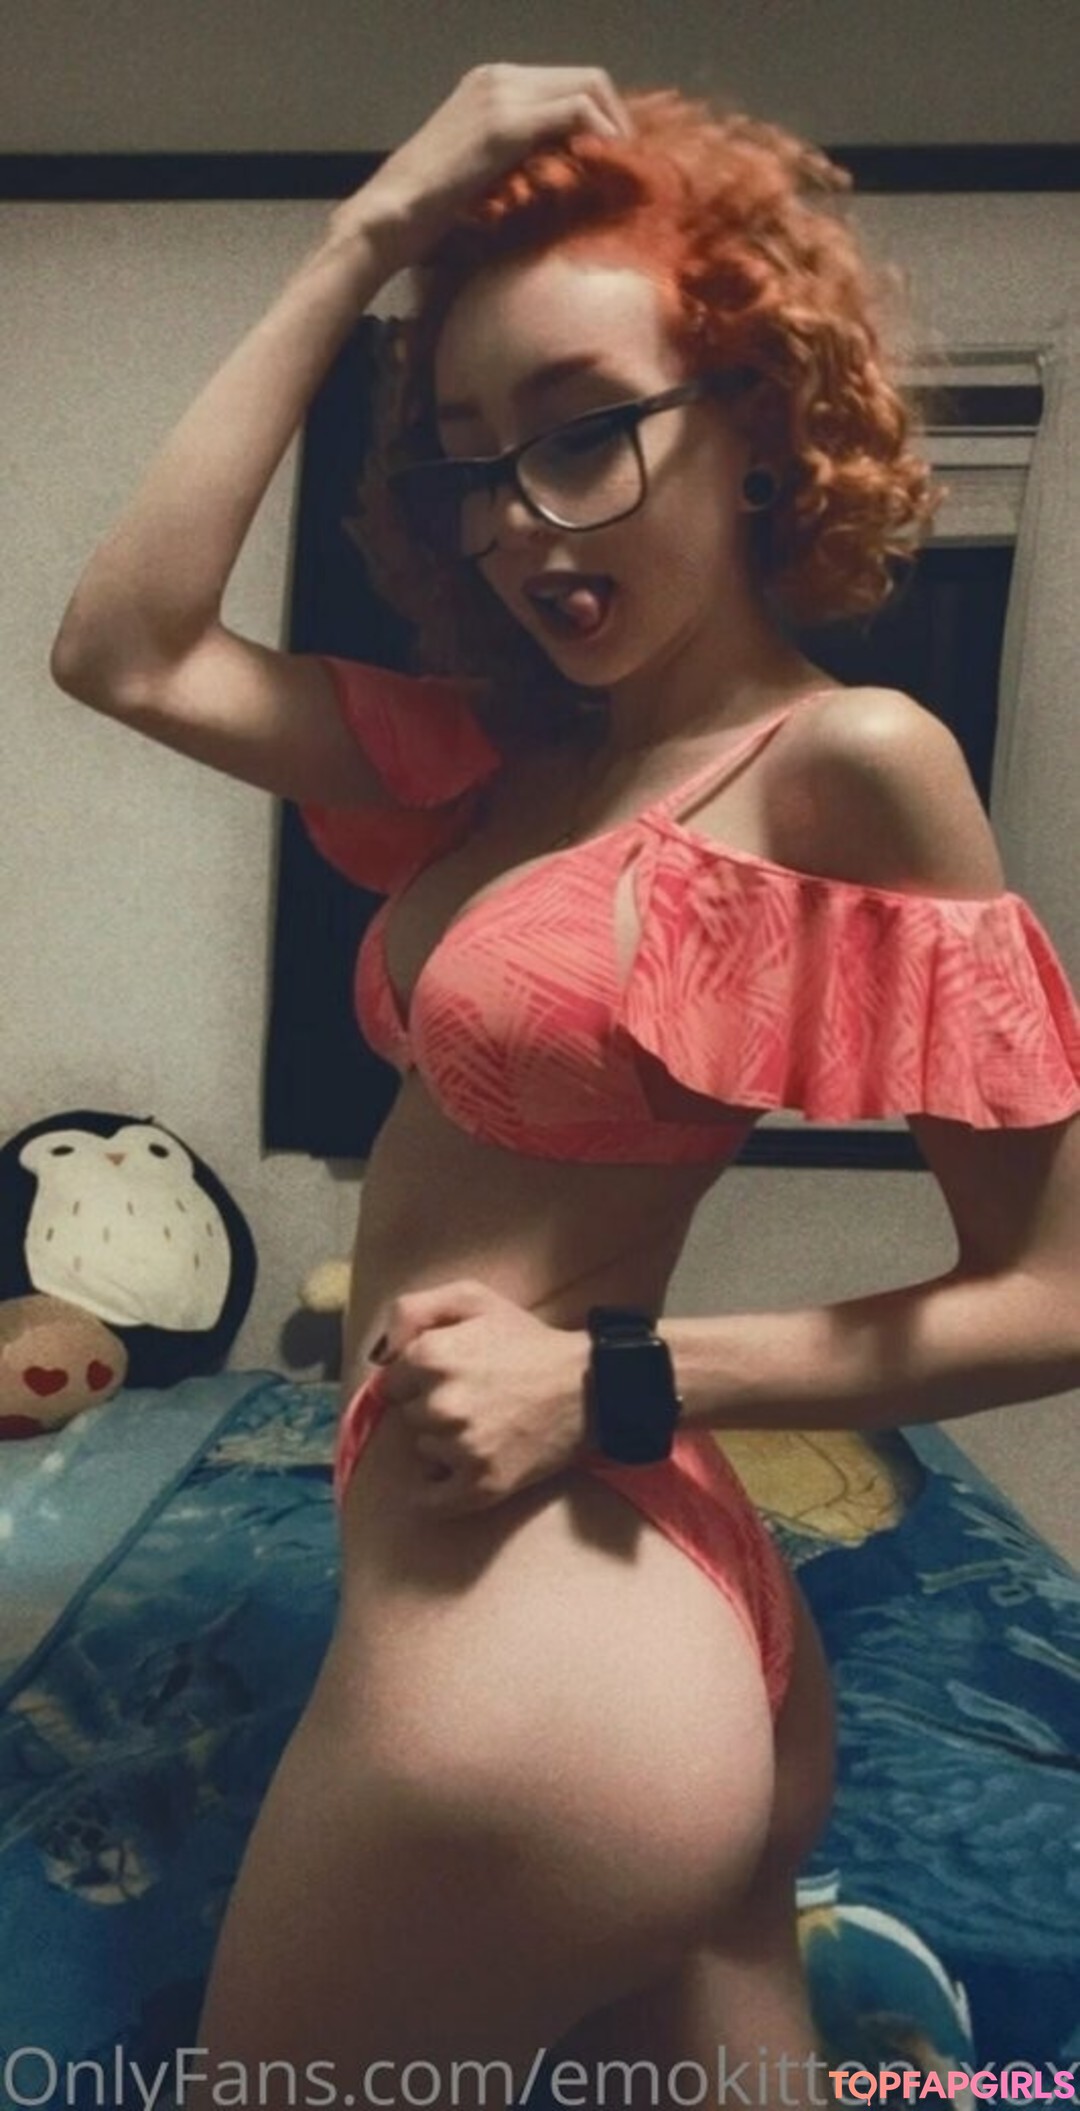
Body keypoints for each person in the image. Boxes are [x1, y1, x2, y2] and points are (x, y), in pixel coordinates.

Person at [50, 62, 1080, 2111]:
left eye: (587, 430)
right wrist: (364, 235)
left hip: (544, 1644)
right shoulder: (503, 757)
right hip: (613, 1621)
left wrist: (608, 1375)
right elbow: (127, 647)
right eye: (471, 459)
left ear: (757, 421)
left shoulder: (844, 764)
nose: (525, 518)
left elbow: (1056, 1291)